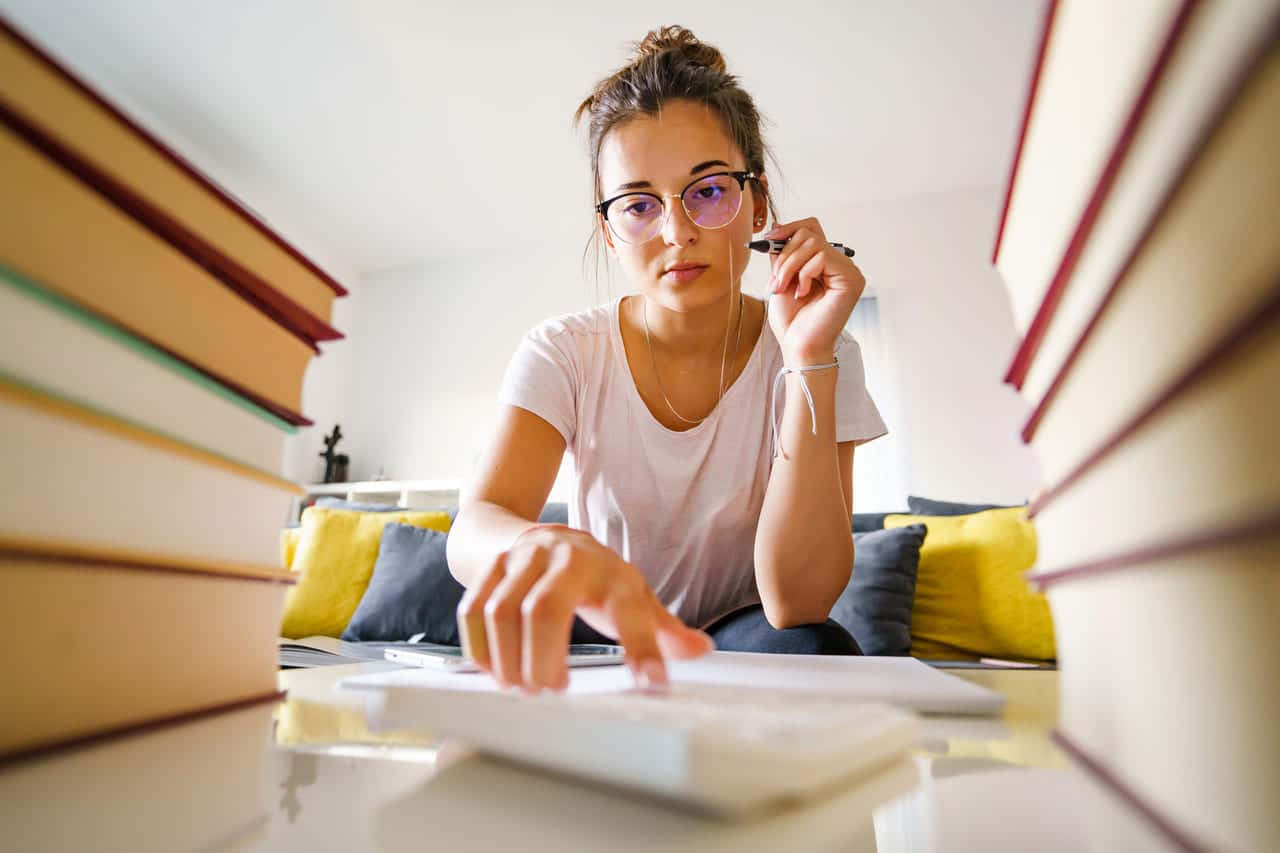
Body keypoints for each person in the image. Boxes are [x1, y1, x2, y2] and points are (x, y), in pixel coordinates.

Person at [445, 25, 888, 693]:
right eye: (639, 205)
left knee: (817, 646)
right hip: (603, 632)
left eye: (709, 191)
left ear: (757, 202)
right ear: (608, 228)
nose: (676, 232)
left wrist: (807, 360)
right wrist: (537, 543)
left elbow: (798, 603)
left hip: (746, 637)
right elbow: (471, 532)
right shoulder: (565, 352)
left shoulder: (824, 349)